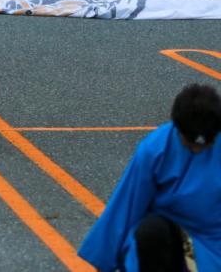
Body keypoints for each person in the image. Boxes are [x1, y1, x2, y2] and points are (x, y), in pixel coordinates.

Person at [78, 83, 220, 271]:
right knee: (150, 231)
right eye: (191, 144)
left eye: (205, 144)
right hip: (168, 237)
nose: (197, 149)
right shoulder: (155, 149)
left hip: (213, 240)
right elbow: (125, 208)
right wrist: (103, 261)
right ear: (177, 129)